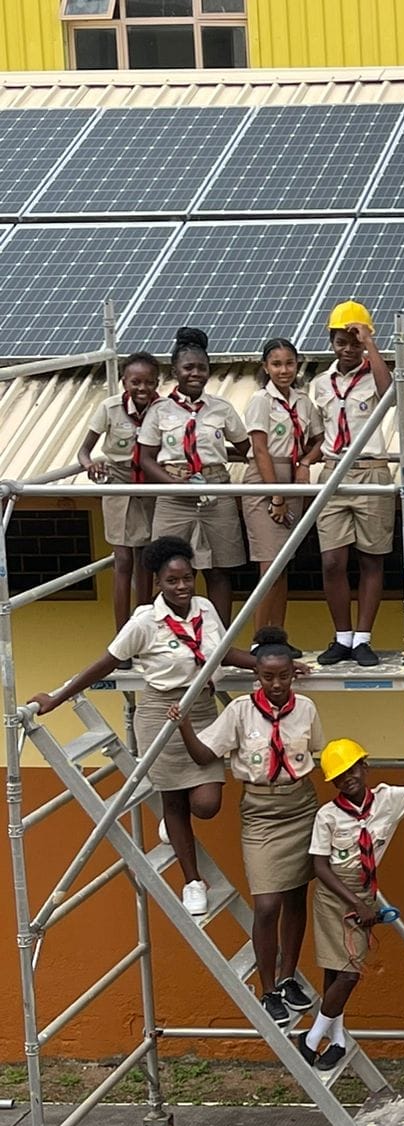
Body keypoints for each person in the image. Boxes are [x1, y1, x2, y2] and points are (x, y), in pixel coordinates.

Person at [28, 537, 259, 916]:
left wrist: (265, 667)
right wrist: (57, 696)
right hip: (161, 714)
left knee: (206, 804)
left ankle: (174, 824)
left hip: (201, 711)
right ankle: (192, 881)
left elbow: (222, 652)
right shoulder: (144, 622)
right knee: (174, 800)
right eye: (172, 581)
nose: (182, 587)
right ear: (157, 583)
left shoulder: (205, 609)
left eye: (187, 578)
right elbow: (105, 662)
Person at [170, 626, 324, 1026]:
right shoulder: (239, 710)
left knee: (295, 897)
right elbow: (206, 751)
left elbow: (318, 754)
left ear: (294, 674)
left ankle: (289, 978)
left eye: (283, 675)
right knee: (267, 903)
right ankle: (268, 987)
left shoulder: (305, 708)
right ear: (257, 675)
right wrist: (183, 725)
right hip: (260, 812)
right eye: (267, 676)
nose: (276, 684)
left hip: (300, 805)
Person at [301, 738, 404, 1069]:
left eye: (352, 770)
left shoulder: (388, 800)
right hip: (334, 896)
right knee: (346, 975)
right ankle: (310, 1040)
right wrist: (358, 905)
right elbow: (319, 867)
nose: (347, 778)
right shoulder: (328, 816)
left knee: (339, 973)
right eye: (339, 776)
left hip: (364, 892)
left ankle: (335, 1040)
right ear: (333, 783)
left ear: (364, 767)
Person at [138, 328, 250, 621]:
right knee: (168, 569)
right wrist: (174, 482)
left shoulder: (221, 409)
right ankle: (169, 635)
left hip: (216, 493)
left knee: (219, 569)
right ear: (175, 370)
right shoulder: (159, 410)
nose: (195, 373)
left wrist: (217, 460)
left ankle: (218, 641)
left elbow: (247, 447)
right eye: (188, 367)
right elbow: (145, 458)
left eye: (201, 367)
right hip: (173, 495)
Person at [310, 302, 394, 668]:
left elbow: (389, 392)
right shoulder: (320, 384)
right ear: (331, 341)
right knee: (332, 560)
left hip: (370, 469)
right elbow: (318, 431)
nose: (347, 348)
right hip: (334, 473)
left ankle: (363, 637)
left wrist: (370, 344)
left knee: (371, 558)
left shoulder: (373, 374)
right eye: (340, 341)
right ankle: (341, 636)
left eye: (353, 342)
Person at [242, 339, 322, 641]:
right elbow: (260, 449)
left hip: (293, 480)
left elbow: (318, 441)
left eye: (289, 363)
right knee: (269, 564)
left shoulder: (303, 401)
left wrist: (305, 462)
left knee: (283, 562)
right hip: (267, 480)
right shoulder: (261, 400)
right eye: (276, 364)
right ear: (266, 367)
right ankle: (259, 640)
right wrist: (276, 494)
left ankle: (278, 637)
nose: (283, 370)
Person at [77, 352, 160, 635]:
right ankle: (123, 635)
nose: (142, 388)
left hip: (152, 483)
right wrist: (91, 465)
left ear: (157, 383)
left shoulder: (163, 408)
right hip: (119, 482)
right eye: (135, 382)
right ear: (124, 382)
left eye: (149, 382)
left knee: (147, 558)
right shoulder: (110, 407)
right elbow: (84, 451)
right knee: (123, 559)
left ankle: (145, 630)